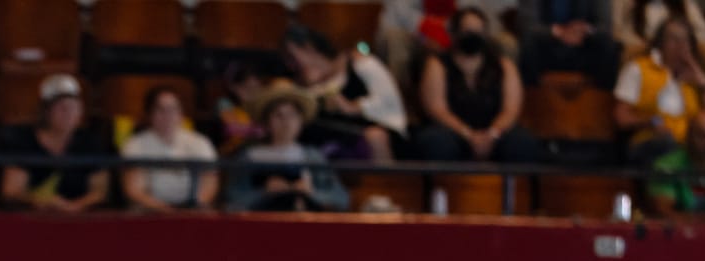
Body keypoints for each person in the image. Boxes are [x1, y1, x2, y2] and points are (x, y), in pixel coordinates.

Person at [413, 7, 542, 164]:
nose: (473, 36)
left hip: (494, 131)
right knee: (436, 142)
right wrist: (468, 135)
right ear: (454, 33)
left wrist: (492, 134)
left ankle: (515, 188)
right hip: (453, 131)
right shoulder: (437, 65)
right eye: (467, 31)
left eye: (478, 31)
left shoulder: (504, 65)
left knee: (522, 143)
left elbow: (511, 110)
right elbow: (437, 109)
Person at [282, 24, 409, 163]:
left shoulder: (361, 64)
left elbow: (390, 103)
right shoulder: (298, 87)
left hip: (376, 133)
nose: (290, 66)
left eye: (292, 57)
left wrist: (352, 107)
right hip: (330, 142)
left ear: (309, 48)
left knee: (375, 136)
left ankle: (386, 183)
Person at [614, 17, 705, 166]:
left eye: (685, 41)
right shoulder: (638, 68)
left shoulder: (695, 79)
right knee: (668, 144)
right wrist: (649, 121)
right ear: (660, 43)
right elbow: (621, 118)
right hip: (650, 141)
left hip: (691, 145)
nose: (680, 46)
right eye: (673, 39)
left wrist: (702, 82)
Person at [227, 82, 350, 212]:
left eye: (292, 115)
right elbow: (232, 199)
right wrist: (264, 192)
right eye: (278, 115)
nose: (286, 122)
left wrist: (311, 193)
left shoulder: (312, 156)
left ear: (301, 120)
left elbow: (341, 198)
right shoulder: (250, 157)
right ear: (267, 121)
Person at [0, 74, 110, 213]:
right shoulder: (23, 141)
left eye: (73, 107)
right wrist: (40, 201)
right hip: (33, 219)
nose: (68, 113)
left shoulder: (91, 143)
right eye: (61, 107)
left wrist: (75, 206)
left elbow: (99, 191)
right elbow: (12, 191)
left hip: (79, 219)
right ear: (45, 111)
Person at [120, 87, 220, 212]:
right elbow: (134, 190)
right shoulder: (134, 144)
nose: (168, 115)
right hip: (150, 211)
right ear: (149, 113)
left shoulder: (200, 142)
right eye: (160, 109)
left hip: (192, 210)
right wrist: (166, 210)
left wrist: (191, 208)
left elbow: (209, 184)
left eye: (173, 109)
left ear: (181, 113)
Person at [520, 0, 622, 88]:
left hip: (583, 47)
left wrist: (584, 30)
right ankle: (532, 98)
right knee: (528, 42)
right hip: (547, 49)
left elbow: (604, 26)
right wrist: (559, 32)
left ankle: (601, 100)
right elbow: (528, 25)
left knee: (608, 44)